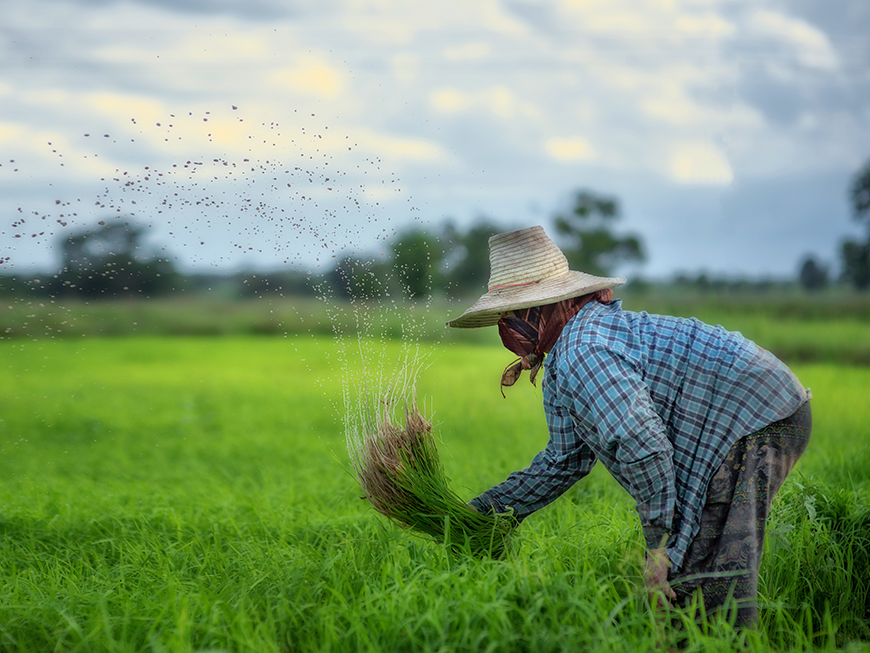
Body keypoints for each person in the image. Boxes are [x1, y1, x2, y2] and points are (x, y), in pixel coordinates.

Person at [446, 225, 812, 627]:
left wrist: (658, 546)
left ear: (554, 306)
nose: (509, 328)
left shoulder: (582, 352)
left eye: (517, 314)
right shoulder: (566, 356)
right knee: (687, 578)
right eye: (505, 316)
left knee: (704, 582)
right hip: (750, 409)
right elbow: (563, 461)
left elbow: (643, 445)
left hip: (756, 416)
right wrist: (486, 513)